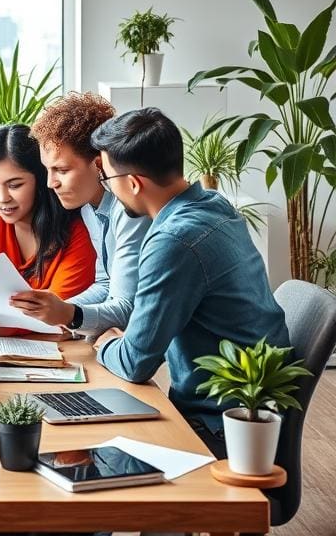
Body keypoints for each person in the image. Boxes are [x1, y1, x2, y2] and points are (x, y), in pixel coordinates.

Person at [89, 108, 290, 456]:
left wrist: (104, 343)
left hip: (217, 428)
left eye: (107, 179)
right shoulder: (213, 204)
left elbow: (136, 362)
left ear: (134, 183)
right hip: (247, 418)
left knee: (89, 448)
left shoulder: (174, 239)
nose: (108, 190)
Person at [7, 92, 150, 335]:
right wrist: (57, 311)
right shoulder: (89, 208)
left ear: (98, 165)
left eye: (61, 170)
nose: (51, 183)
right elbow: (105, 284)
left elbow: (128, 307)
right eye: (48, 170)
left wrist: (70, 315)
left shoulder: (129, 211)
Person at [0, 123, 96, 337]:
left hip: (61, 349)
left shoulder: (79, 225)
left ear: (42, 178)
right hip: (3, 348)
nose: (2, 198)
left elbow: (57, 318)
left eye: (15, 185)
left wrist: (1, 323)